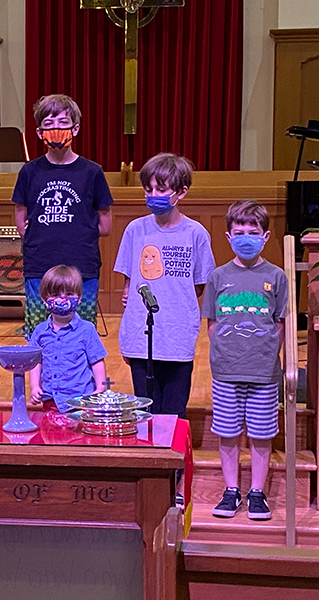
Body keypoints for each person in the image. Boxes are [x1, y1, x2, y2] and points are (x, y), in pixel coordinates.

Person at [202, 200, 287, 521]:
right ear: (228, 236)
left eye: (253, 232)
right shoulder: (218, 277)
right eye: (239, 232)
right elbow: (211, 323)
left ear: (266, 236)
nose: (246, 237)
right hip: (226, 370)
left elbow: (280, 322)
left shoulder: (276, 276)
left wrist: (264, 355)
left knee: (262, 434)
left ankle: (257, 492)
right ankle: (230, 490)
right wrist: (229, 352)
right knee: (227, 432)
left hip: (264, 372)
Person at [114, 153, 215, 418]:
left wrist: (172, 303)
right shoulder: (135, 229)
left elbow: (199, 286)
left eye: (161, 189)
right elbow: (129, 282)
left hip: (177, 336)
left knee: (173, 411)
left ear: (181, 192)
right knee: (146, 410)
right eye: (148, 189)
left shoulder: (196, 234)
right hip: (141, 338)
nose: (153, 195)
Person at [12, 94, 114, 339]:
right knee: (39, 333)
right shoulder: (29, 171)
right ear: (39, 133)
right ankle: (40, 379)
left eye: (62, 123)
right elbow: (20, 213)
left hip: (82, 266)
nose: (56, 129)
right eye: (48, 125)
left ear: (75, 128)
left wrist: (77, 229)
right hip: (39, 265)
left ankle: (80, 378)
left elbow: (105, 223)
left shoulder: (92, 172)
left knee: (81, 333)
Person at [28, 265, 108, 413]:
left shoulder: (87, 329)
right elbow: (35, 362)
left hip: (82, 400)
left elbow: (97, 360)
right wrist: (35, 387)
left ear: (79, 297)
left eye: (69, 293)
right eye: (55, 294)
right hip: (51, 399)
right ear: (45, 299)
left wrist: (100, 387)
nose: (63, 299)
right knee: (51, 433)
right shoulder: (40, 332)